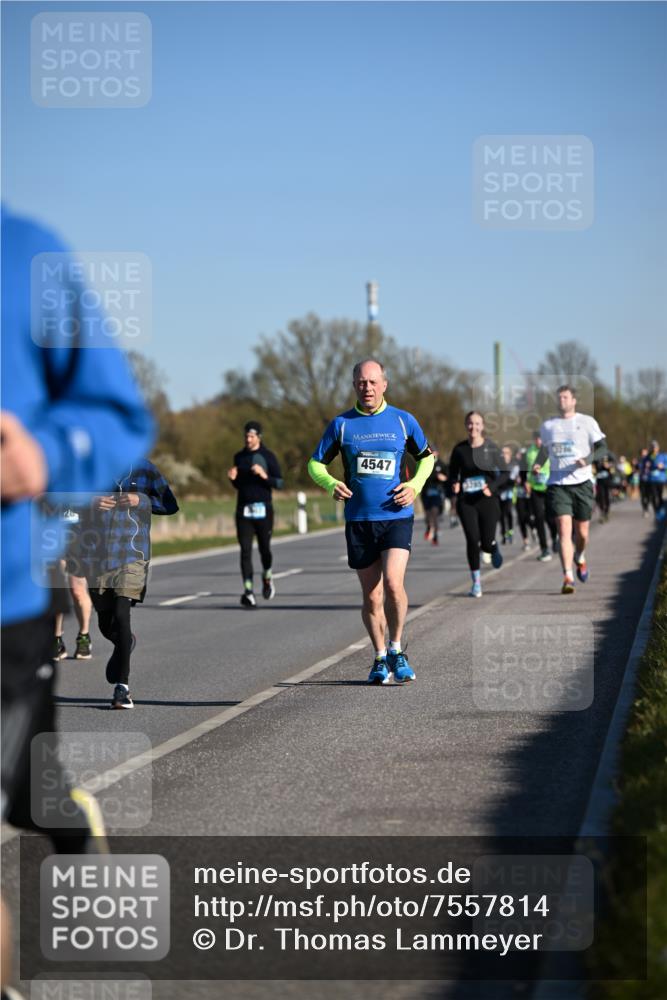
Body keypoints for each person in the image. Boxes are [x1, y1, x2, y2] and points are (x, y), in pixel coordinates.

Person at [1, 207, 153, 844]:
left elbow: (118, 417)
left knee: (111, 616)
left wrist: (45, 454)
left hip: (6, 606)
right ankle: (49, 801)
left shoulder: (25, 255)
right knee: (34, 792)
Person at [308, 358, 434, 684]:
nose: (368, 388)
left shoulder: (403, 421)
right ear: (354, 386)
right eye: (362, 383)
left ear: (384, 384)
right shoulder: (342, 425)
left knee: (393, 584)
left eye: (373, 382)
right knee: (371, 597)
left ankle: (397, 649)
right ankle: (379, 657)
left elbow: (427, 458)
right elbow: (315, 464)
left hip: (396, 515)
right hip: (359, 519)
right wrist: (331, 484)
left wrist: (414, 486)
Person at [77, 461, 178, 708]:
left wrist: (141, 501)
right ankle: (125, 643)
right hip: (97, 555)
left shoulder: (146, 469)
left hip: (132, 554)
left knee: (123, 615)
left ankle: (122, 688)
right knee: (105, 624)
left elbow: (170, 505)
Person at [533, 385, 607, 595]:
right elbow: (545, 450)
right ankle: (568, 576)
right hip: (558, 485)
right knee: (564, 532)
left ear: (574, 400)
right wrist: (539, 463)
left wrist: (587, 459)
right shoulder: (549, 426)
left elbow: (603, 448)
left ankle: (580, 557)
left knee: (582, 533)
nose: (562, 401)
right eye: (559, 398)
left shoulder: (586, 422)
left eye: (565, 397)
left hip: (582, 484)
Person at [448, 412, 509, 597]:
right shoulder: (459, 449)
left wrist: (492, 486)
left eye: (477, 423)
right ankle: (476, 582)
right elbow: (452, 474)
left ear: (482, 426)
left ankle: (492, 546)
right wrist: (454, 484)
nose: (473, 427)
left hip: (487, 501)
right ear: (466, 425)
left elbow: (505, 474)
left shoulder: (491, 448)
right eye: (470, 423)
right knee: (472, 540)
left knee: (485, 543)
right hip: (467, 502)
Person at [228, 421, 284, 608]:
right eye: (246, 436)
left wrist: (264, 475)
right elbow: (240, 486)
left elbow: (279, 483)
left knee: (264, 550)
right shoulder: (239, 457)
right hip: (243, 509)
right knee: (245, 551)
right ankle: (248, 591)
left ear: (259, 437)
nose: (248, 439)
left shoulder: (268, 456)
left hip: (264, 510)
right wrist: (233, 479)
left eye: (251, 436)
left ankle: (267, 576)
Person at [524, 430, 557, 560]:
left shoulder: (549, 449)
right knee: (539, 518)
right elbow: (526, 468)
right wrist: (527, 481)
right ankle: (544, 550)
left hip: (549, 487)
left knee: (551, 517)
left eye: (540, 439)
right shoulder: (530, 452)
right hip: (536, 488)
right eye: (536, 439)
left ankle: (555, 537)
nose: (538, 442)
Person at [421, 448, 447, 544]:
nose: (433, 453)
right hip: (426, 493)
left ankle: (435, 535)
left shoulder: (441, 464)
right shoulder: (424, 462)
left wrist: (443, 478)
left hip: (437, 492)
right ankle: (429, 527)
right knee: (428, 515)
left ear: (437, 453)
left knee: (435, 513)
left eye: (434, 452)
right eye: (431, 452)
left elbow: (447, 476)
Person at [646, 440, 667, 517]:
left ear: (658, 448)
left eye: (655, 447)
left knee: (660, 496)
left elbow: (666, 465)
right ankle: (656, 510)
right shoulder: (649, 456)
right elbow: (644, 465)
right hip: (652, 479)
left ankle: (660, 508)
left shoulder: (663, 456)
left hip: (661, 479)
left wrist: (663, 466)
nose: (654, 449)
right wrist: (647, 466)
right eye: (652, 447)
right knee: (653, 496)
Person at [594, 455, 613, 523]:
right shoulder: (596, 457)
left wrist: (608, 465)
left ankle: (607, 511)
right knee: (600, 497)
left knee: (607, 496)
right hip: (599, 481)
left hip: (607, 481)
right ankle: (602, 511)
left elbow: (612, 464)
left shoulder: (608, 455)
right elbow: (594, 467)